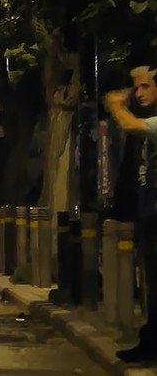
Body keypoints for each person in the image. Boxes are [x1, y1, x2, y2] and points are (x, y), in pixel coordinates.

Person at [105, 65, 157, 363]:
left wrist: (115, 106)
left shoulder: (146, 124)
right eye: (136, 88)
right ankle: (149, 342)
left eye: (146, 87)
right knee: (150, 282)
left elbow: (129, 125)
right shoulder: (145, 121)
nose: (139, 93)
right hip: (146, 212)